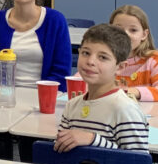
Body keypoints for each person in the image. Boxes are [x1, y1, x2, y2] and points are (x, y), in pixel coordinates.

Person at [56, 24, 150, 152]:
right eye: (86, 53)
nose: (90, 61)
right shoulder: (71, 106)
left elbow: (136, 161)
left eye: (103, 57)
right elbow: (60, 149)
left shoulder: (126, 110)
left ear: (120, 67)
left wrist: (93, 139)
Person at [109, 4, 158, 102]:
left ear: (144, 35)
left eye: (133, 30)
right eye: (118, 29)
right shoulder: (103, 59)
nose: (125, 34)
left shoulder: (154, 60)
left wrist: (131, 91)